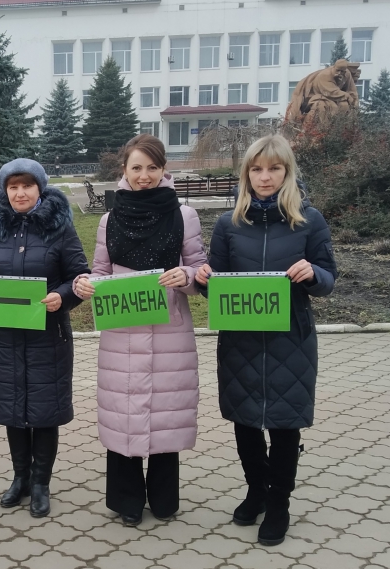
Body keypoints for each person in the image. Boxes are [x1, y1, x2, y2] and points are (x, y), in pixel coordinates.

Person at [195, 134, 337, 546]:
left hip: (289, 339)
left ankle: (279, 504)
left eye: (274, 168)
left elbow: (328, 277)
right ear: (246, 174)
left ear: (287, 171)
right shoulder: (229, 223)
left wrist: (312, 273)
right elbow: (216, 280)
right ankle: (256, 490)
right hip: (239, 340)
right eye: (256, 169)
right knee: (245, 421)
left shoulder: (309, 220)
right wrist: (204, 279)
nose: (265, 177)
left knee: (285, 424)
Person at [74, 134, 207, 526]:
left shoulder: (184, 215)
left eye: (152, 167)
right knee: (124, 414)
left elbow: (201, 269)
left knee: (166, 413)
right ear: (125, 170)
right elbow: (100, 272)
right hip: (122, 330)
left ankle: (164, 498)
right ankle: (126, 499)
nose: (144, 175)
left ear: (164, 169)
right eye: (137, 168)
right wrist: (85, 284)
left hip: (170, 331)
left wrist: (186, 277)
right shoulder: (109, 219)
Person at [0, 159, 89, 518]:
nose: (20, 193)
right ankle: (20, 478)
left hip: (47, 337)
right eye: (13, 187)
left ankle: (40, 484)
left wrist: (62, 297)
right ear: (5, 191)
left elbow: (79, 276)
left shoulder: (60, 229)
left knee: (44, 412)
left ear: (40, 189)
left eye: (27, 186)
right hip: (3, 336)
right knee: (12, 410)